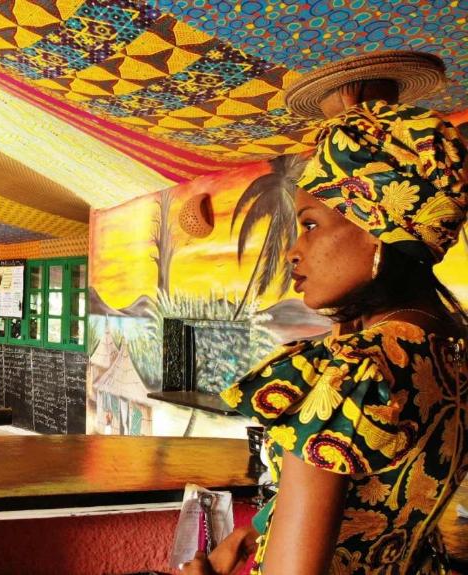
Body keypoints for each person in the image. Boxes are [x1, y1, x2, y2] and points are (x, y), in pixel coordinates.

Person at [181, 52, 468, 575]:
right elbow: (380, 508)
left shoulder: (351, 375)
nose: (294, 250)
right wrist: (261, 529)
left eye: (310, 224)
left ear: (381, 229)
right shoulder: (447, 353)